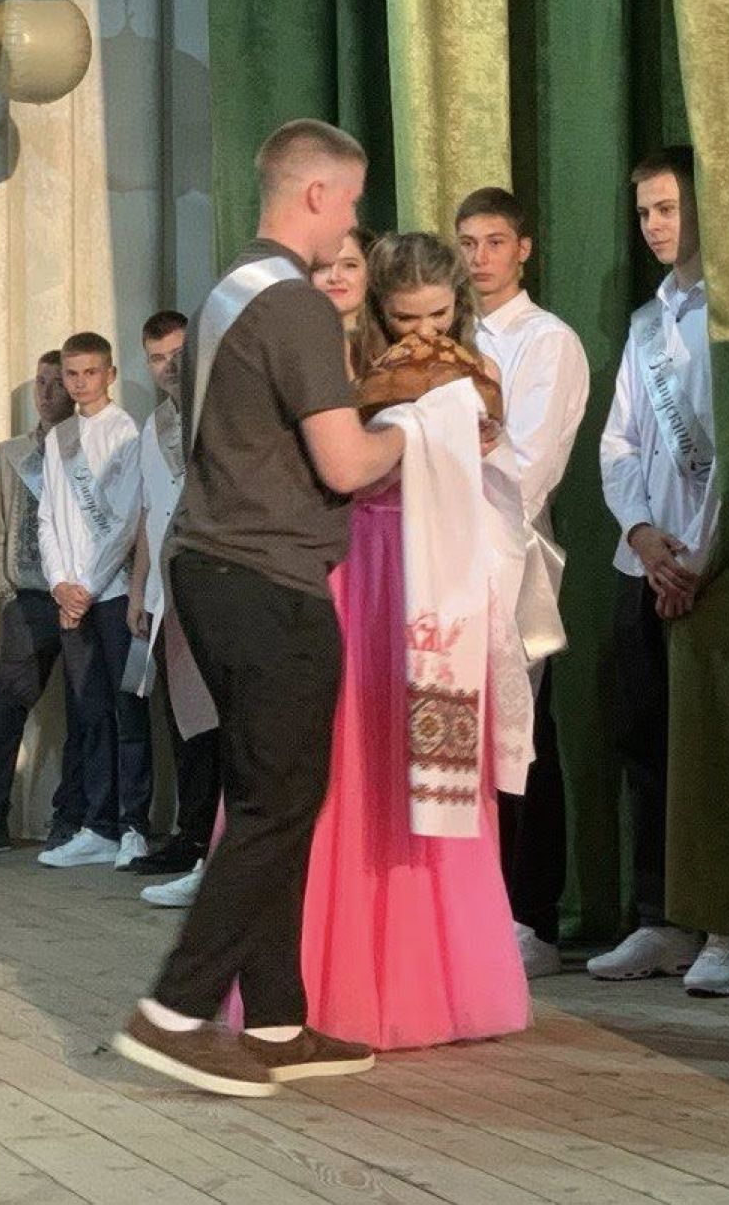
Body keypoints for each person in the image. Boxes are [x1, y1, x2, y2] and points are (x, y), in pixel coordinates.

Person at [112, 118, 404, 1098]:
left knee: (264, 800)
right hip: (269, 579)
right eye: (350, 201)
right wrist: (416, 430)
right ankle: (173, 1012)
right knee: (281, 802)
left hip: (211, 569)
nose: (352, 222)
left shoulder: (225, 295)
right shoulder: (295, 305)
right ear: (316, 194)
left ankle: (275, 1020)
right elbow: (346, 463)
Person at [261, 230, 534, 1050]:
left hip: (442, 572)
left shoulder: (479, 367)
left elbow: (509, 470)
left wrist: (479, 443)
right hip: (362, 566)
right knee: (351, 760)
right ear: (379, 308)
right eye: (406, 317)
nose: (423, 332)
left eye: (438, 315)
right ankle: (336, 982)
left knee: (435, 761)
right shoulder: (343, 362)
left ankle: (438, 984)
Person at [591, 146, 729, 996]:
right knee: (645, 740)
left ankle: (727, 923)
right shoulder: (647, 321)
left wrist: (693, 553)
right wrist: (644, 535)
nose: (655, 225)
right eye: (645, 212)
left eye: (669, 208)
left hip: (711, 566)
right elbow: (618, 441)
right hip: (645, 560)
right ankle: (661, 919)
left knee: (715, 748)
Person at [456, 186, 591, 979]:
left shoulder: (548, 342)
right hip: (443, 559)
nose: (480, 259)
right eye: (468, 243)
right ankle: (466, 907)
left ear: (525, 249)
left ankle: (531, 916)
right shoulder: (450, 337)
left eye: (495, 242)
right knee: (456, 740)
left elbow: (533, 467)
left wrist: (472, 444)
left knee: (520, 739)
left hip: (510, 559)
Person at [0, 353, 86, 854]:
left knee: (83, 710)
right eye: (41, 383)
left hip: (84, 598)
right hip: (28, 597)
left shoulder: (94, 447)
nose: (48, 392)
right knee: (6, 707)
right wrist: (5, 594)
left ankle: (72, 817)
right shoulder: (11, 456)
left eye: (58, 383)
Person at [37, 332, 150, 870]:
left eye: (90, 372)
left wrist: (85, 587)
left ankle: (134, 827)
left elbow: (127, 520)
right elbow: (47, 516)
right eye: (71, 374)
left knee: (128, 712)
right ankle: (98, 826)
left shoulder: (126, 432)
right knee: (89, 713)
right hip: (73, 597)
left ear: (109, 374)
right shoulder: (58, 437)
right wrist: (60, 583)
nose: (80, 383)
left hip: (114, 593)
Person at [128, 310, 224, 905]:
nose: (169, 367)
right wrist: (139, 589)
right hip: (166, 593)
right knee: (180, 723)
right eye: (158, 358)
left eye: (178, 355)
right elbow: (150, 510)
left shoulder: (220, 412)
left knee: (216, 723)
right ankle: (190, 835)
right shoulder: (153, 426)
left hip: (212, 586)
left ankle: (213, 843)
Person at [311, 226, 375, 378]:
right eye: (322, 267)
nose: (334, 277)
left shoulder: (396, 346)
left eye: (349, 265)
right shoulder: (291, 346)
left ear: (371, 272)